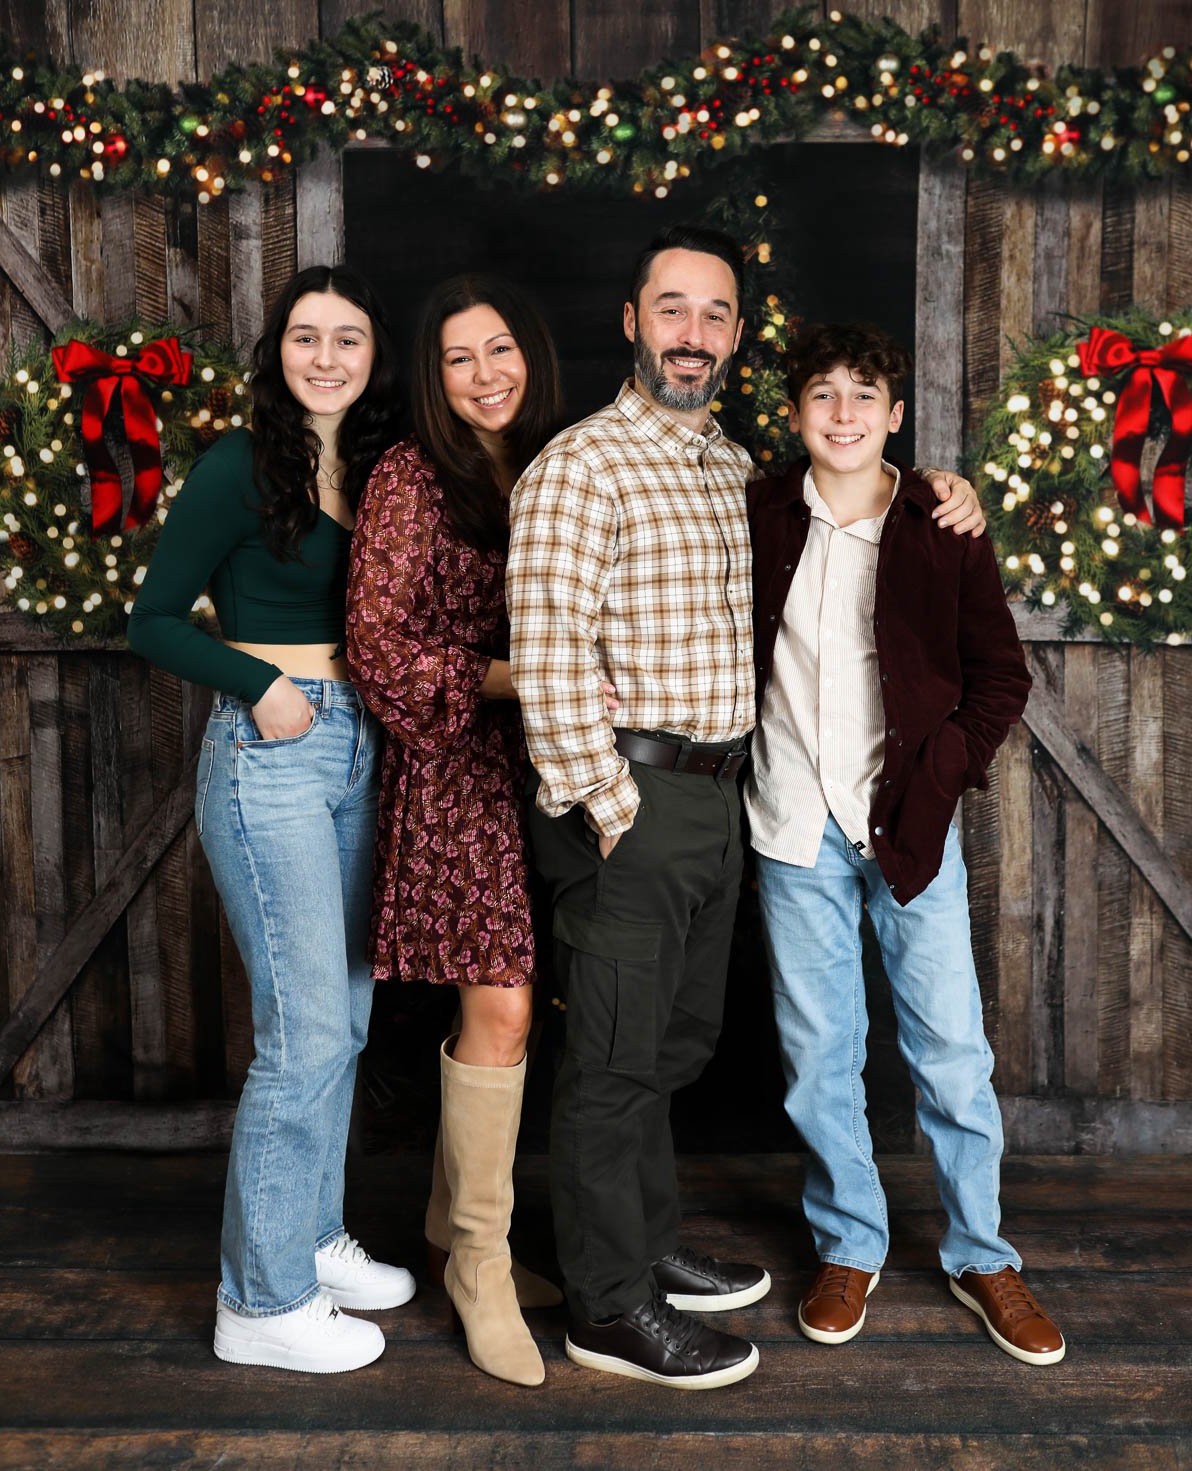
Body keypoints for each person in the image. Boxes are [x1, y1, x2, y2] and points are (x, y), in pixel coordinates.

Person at [505, 226, 988, 1389]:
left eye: (714, 315)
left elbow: (850, 520)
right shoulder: (582, 464)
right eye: (671, 309)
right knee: (615, 1057)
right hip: (632, 799)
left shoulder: (735, 470)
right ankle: (607, 1308)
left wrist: (943, 493)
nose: (693, 334)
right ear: (631, 322)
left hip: (726, 799)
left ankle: (642, 1240)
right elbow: (548, 644)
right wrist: (606, 798)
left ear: (734, 335)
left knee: (673, 1042)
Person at [746, 321, 1065, 1365]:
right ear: (797, 415)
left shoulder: (940, 522)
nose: (843, 413)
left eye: (863, 395)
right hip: (793, 822)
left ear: (895, 413)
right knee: (818, 1055)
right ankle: (850, 1242)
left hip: (910, 828)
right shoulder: (757, 512)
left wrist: (941, 770)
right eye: (822, 395)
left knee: (952, 1054)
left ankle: (982, 1254)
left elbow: (1001, 677)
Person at [127, 265, 414, 1374]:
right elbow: (152, 622)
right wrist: (255, 680)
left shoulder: (387, 473)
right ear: (277, 351)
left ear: (372, 356)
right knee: (302, 1036)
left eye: (349, 338)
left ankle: (307, 1235)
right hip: (275, 753)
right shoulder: (239, 466)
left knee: (343, 1013)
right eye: (307, 337)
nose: (328, 357)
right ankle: (259, 1299)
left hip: (364, 750)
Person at [348, 273, 592, 1388]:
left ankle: (454, 1231)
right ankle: (482, 1268)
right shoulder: (408, 477)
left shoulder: (553, 466)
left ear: (530, 355)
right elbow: (381, 651)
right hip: (454, 767)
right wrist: (520, 676)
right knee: (499, 998)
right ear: (434, 376)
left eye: (500, 350)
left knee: (517, 1000)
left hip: (551, 766)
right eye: (459, 358)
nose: (485, 374)